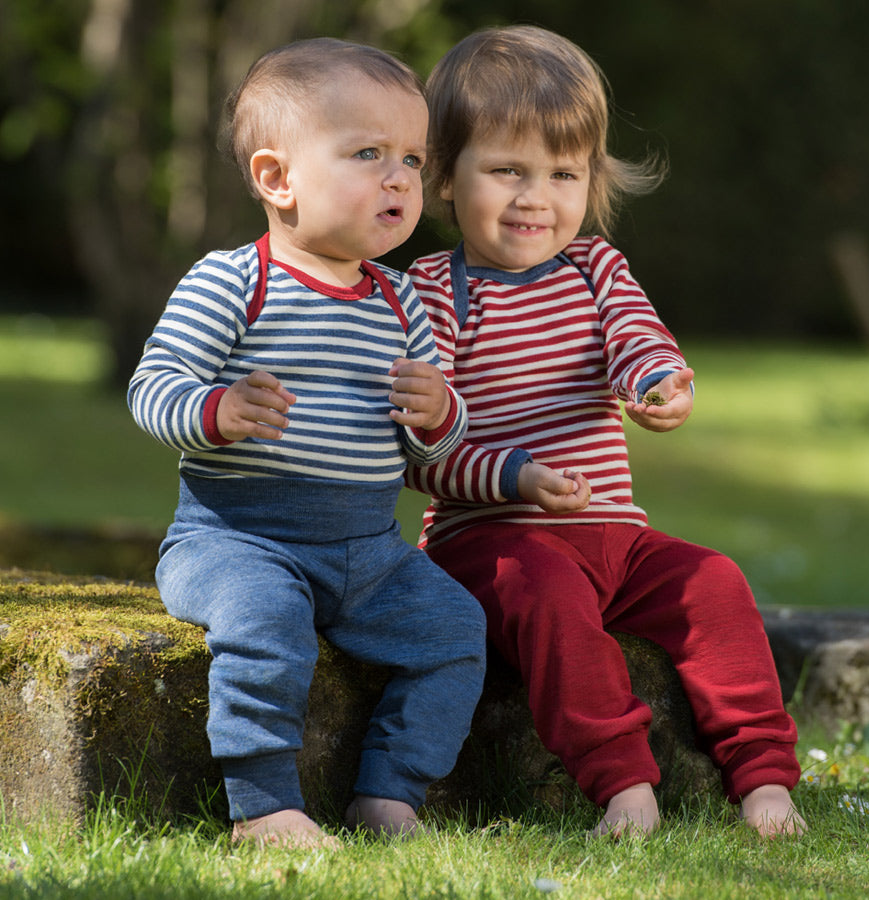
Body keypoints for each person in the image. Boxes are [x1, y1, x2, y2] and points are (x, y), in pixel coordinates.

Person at [405, 25, 805, 839]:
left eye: (563, 173)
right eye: (507, 171)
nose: (535, 197)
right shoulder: (430, 293)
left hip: (615, 539)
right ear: (446, 175)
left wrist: (659, 384)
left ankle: (763, 778)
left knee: (715, 583)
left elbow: (636, 340)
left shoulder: (598, 269)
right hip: (495, 543)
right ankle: (623, 785)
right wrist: (514, 478)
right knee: (546, 594)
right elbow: (423, 447)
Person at [127, 38, 487, 849]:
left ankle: (391, 793)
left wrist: (439, 412)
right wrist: (217, 410)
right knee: (263, 622)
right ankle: (264, 807)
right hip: (235, 538)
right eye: (367, 153)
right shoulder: (233, 281)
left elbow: (431, 457)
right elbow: (153, 389)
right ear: (276, 178)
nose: (399, 177)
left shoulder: (402, 302)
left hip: (368, 549)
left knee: (456, 630)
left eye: (410, 157)